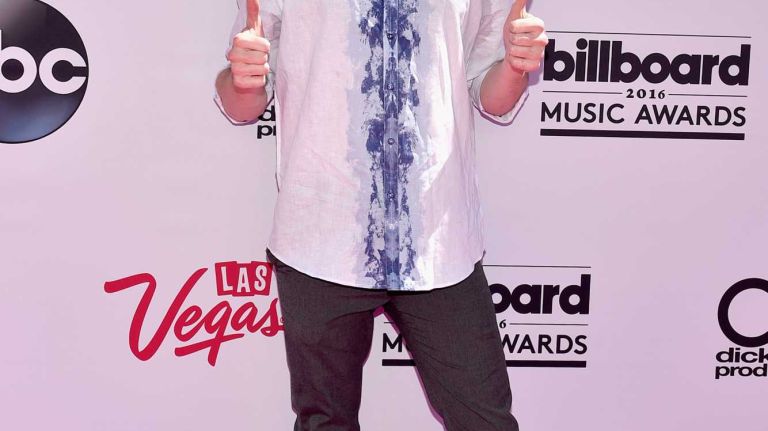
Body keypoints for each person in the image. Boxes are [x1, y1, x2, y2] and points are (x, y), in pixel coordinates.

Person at [215, 0, 547, 429]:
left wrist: (516, 67)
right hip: (322, 233)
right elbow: (242, 103)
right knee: (325, 423)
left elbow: (491, 94)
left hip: (438, 239)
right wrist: (242, 82)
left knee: (486, 421)